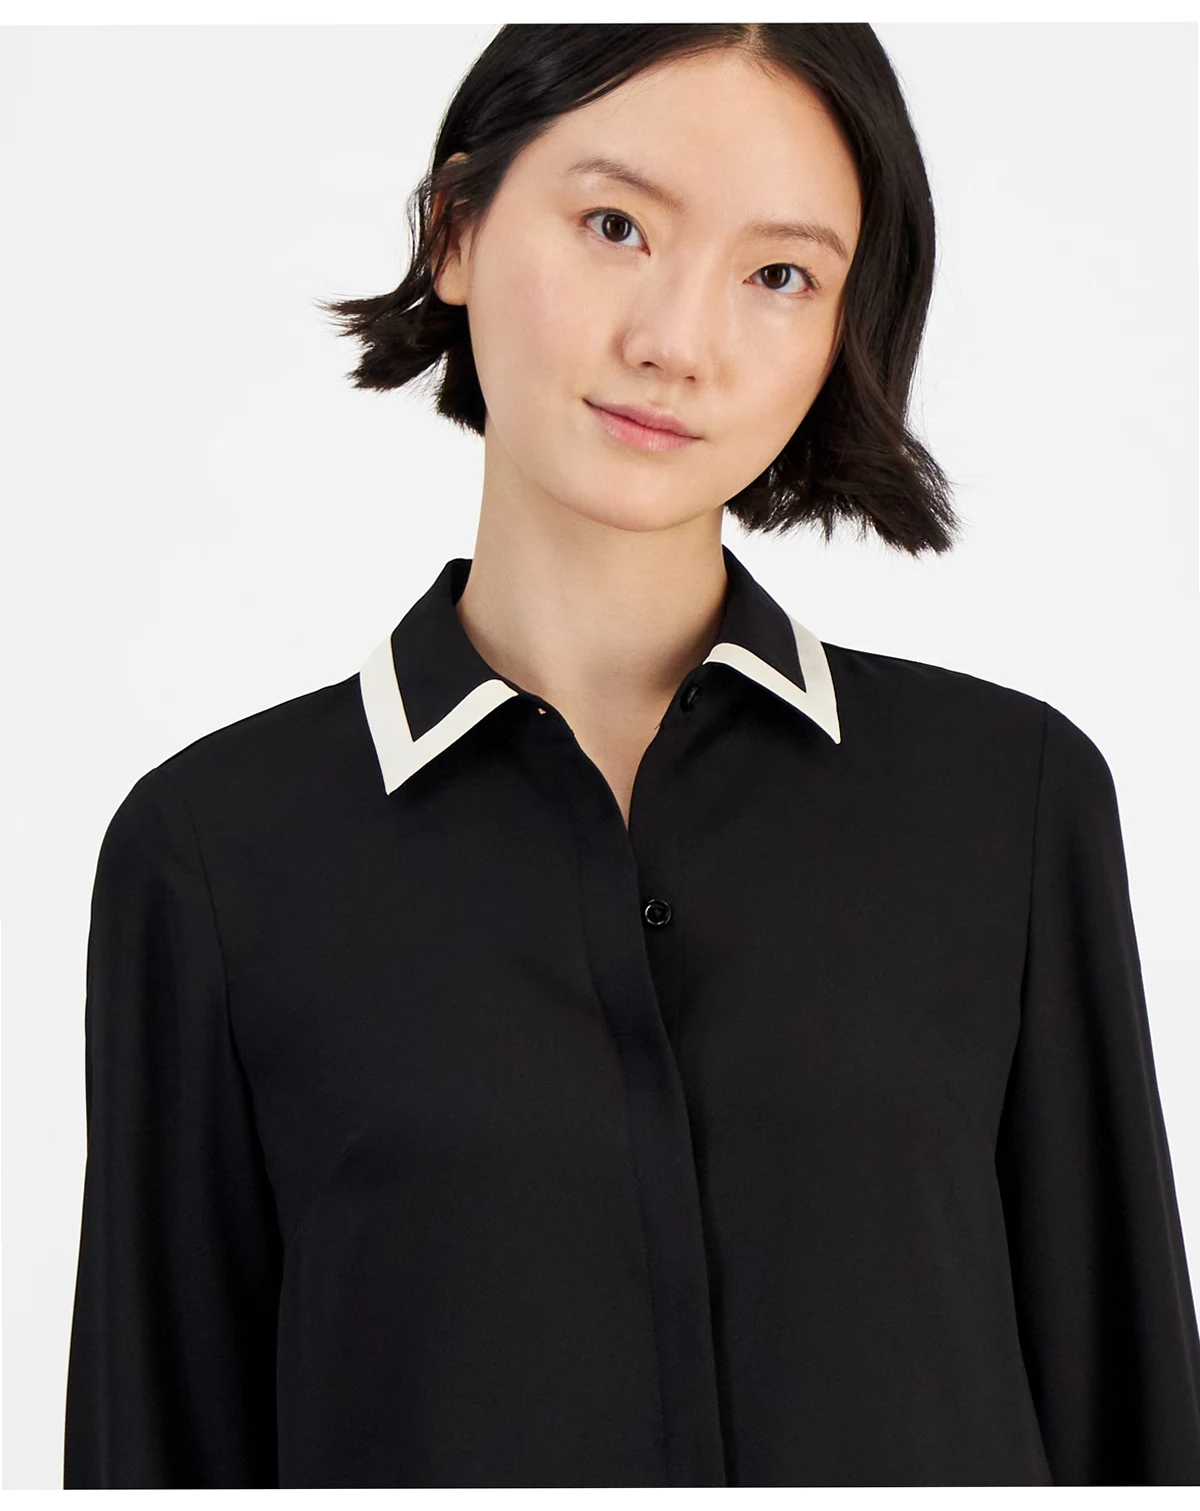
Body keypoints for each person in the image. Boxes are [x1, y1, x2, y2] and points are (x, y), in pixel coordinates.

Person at [63, 23, 1200, 1489]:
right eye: (616, 226)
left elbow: (1131, 1422)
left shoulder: (1011, 802)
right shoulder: (216, 857)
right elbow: (160, 1441)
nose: (678, 341)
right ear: (455, 229)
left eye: (779, 274)